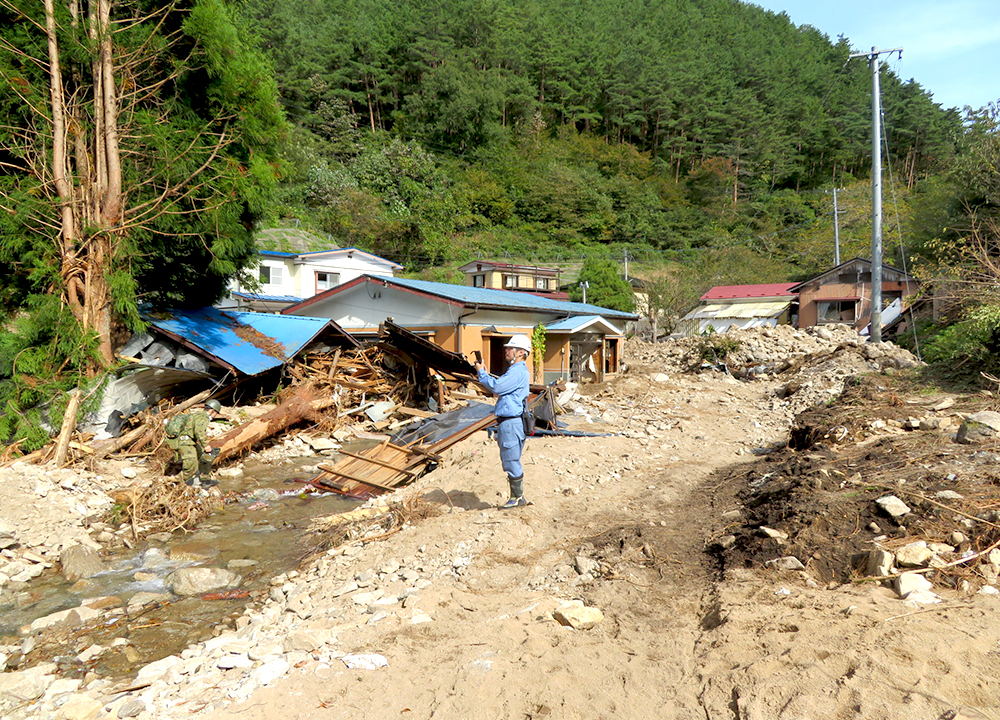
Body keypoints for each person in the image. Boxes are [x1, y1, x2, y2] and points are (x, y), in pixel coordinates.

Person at [474, 335, 531, 508]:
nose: (506, 350)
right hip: (510, 421)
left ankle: (517, 498)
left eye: (510, 348)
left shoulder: (518, 371)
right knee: (510, 458)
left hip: (511, 422)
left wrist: (481, 373)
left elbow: (497, 387)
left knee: (511, 459)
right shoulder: (515, 371)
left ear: (520, 352)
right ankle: (517, 497)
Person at [165, 399, 223, 487]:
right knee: (192, 466)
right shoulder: (203, 417)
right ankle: (172, 480)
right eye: (216, 413)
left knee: (203, 456)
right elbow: (199, 431)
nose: (215, 416)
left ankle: (205, 480)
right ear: (212, 410)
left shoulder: (198, 415)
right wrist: (205, 445)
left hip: (189, 441)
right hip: (185, 442)